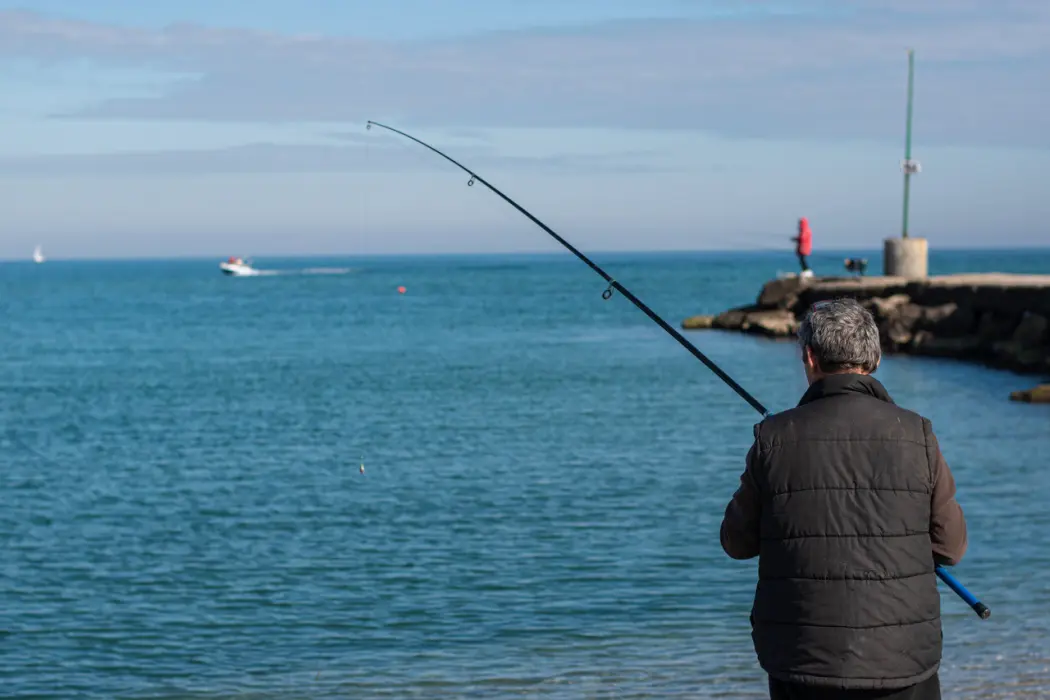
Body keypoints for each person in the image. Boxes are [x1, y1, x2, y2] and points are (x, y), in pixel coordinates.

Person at [719, 297, 968, 700]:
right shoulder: (917, 434)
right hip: (903, 660)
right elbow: (951, 547)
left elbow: (736, 542)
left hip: (802, 661)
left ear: (810, 357)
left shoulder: (773, 438)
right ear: (874, 359)